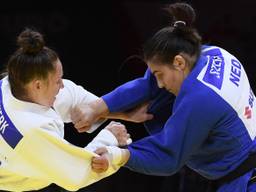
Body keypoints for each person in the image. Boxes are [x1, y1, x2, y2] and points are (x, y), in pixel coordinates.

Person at [71, 2, 256, 192]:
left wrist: (116, 155)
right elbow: (147, 85)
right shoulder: (213, 53)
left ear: (178, 62)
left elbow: (168, 156)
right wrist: (96, 107)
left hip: (247, 179)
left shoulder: (202, 98)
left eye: (160, 74)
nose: (159, 83)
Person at [0, 28, 131, 192]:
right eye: (58, 81)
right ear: (38, 85)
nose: (61, 85)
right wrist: (110, 138)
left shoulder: (11, 83)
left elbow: (74, 96)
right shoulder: (30, 130)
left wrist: (117, 112)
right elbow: (77, 173)